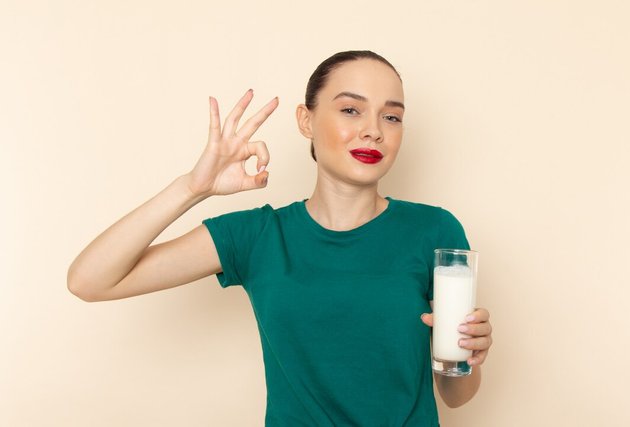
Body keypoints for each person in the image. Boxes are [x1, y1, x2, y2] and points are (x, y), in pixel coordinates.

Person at [67, 50, 493, 426]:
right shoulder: (256, 236)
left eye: (392, 116)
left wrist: (468, 357)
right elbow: (90, 280)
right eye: (350, 110)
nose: (373, 131)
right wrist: (192, 187)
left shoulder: (435, 231)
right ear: (306, 120)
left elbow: (456, 395)